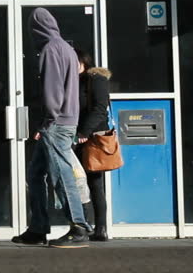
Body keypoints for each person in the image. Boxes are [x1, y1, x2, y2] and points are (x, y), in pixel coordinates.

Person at [12, 8, 91, 248]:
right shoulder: (67, 49)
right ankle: (38, 228)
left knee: (61, 175)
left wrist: (47, 121)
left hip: (56, 123)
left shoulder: (50, 50)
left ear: (36, 29)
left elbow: (52, 91)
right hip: (65, 121)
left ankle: (78, 227)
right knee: (36, 174)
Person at [74, 48, 111, 241]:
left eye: (74, 61)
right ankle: (85, 225)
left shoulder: (96, 79)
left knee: (94, 183)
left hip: (92, 137)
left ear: (84, 61)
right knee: (78, 181)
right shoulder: (75, 80)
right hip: (78, 136)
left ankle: (100, 228)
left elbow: (100, 109)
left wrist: (84, 132)